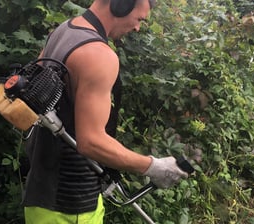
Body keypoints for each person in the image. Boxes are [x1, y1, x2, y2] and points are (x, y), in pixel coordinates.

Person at [22, 0, 190, 223]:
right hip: (70, 208)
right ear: (121, 5)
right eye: (139, 18)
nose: (138, 27)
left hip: (42, 194)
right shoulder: (98, 56)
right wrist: (153, 167)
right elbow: (91, 142)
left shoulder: (64, 30)